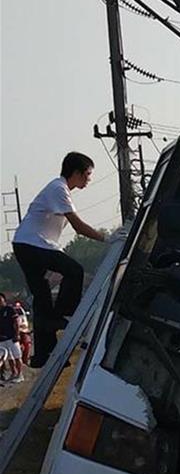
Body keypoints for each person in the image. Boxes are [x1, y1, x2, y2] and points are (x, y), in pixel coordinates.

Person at [12, 152, 106, 367]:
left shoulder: (60, 190)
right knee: (74, 270)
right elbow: (79, 227)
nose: (89, 179)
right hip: (32, 244)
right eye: (88, 174)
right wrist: (107, 239)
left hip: (28, 244)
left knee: (42, 301)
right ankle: (64, 311)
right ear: (76, 173)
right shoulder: (58, 189)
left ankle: (44, 355)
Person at [0, 293, 23, 382]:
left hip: (12, 337)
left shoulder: (9, 309)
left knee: (17, 356)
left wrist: (17, 334)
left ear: (4, 300)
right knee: (9, 358)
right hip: (2, 338)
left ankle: (20, 374)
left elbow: (16, 322)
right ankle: (13, 373)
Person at [14, 301, 32, 366]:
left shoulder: (23, 314)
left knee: (27, 344)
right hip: (15, 332)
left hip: (24, 332)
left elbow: (25, 324)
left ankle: (25, 360)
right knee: (17, 347)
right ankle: (18, 361)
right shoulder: (12, 315)